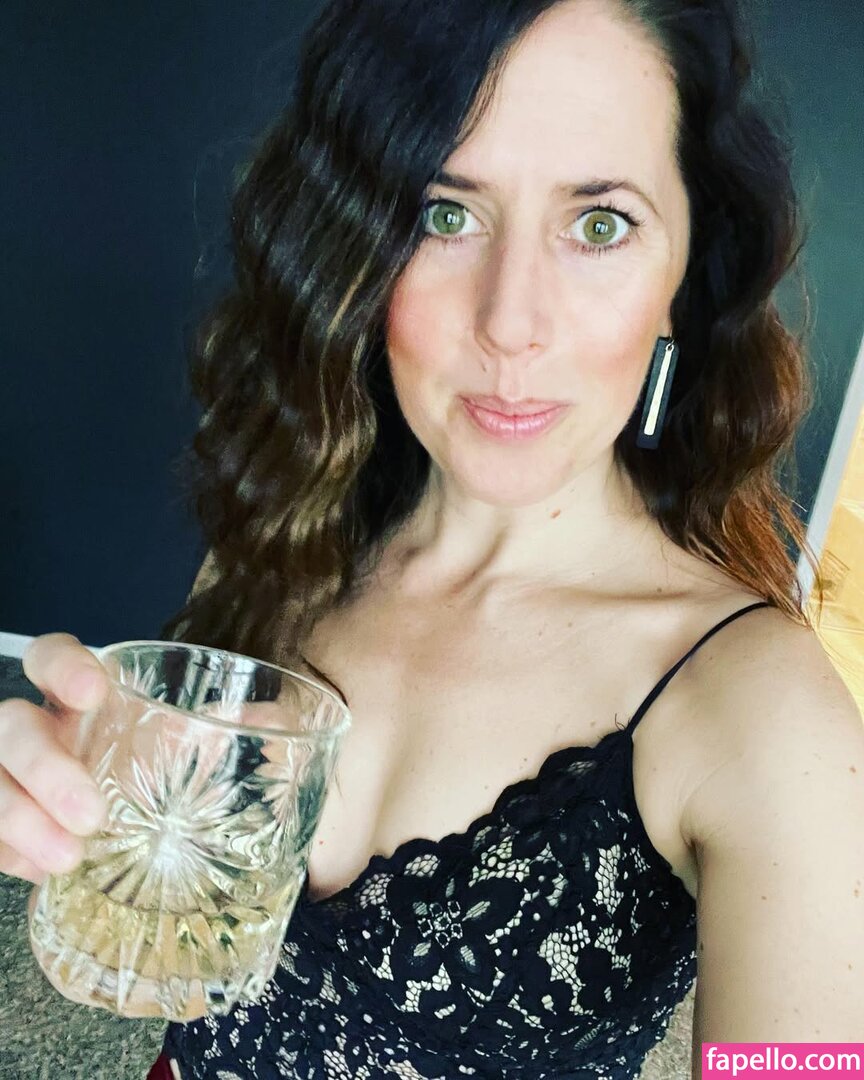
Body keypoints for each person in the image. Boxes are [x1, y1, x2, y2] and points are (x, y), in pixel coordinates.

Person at [3, 0, 864, 1075]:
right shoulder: (286, 539)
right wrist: (86, 808)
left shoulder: (765, 717)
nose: (510, 323)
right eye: (443, 214)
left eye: (600, 225)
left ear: (683, 284)